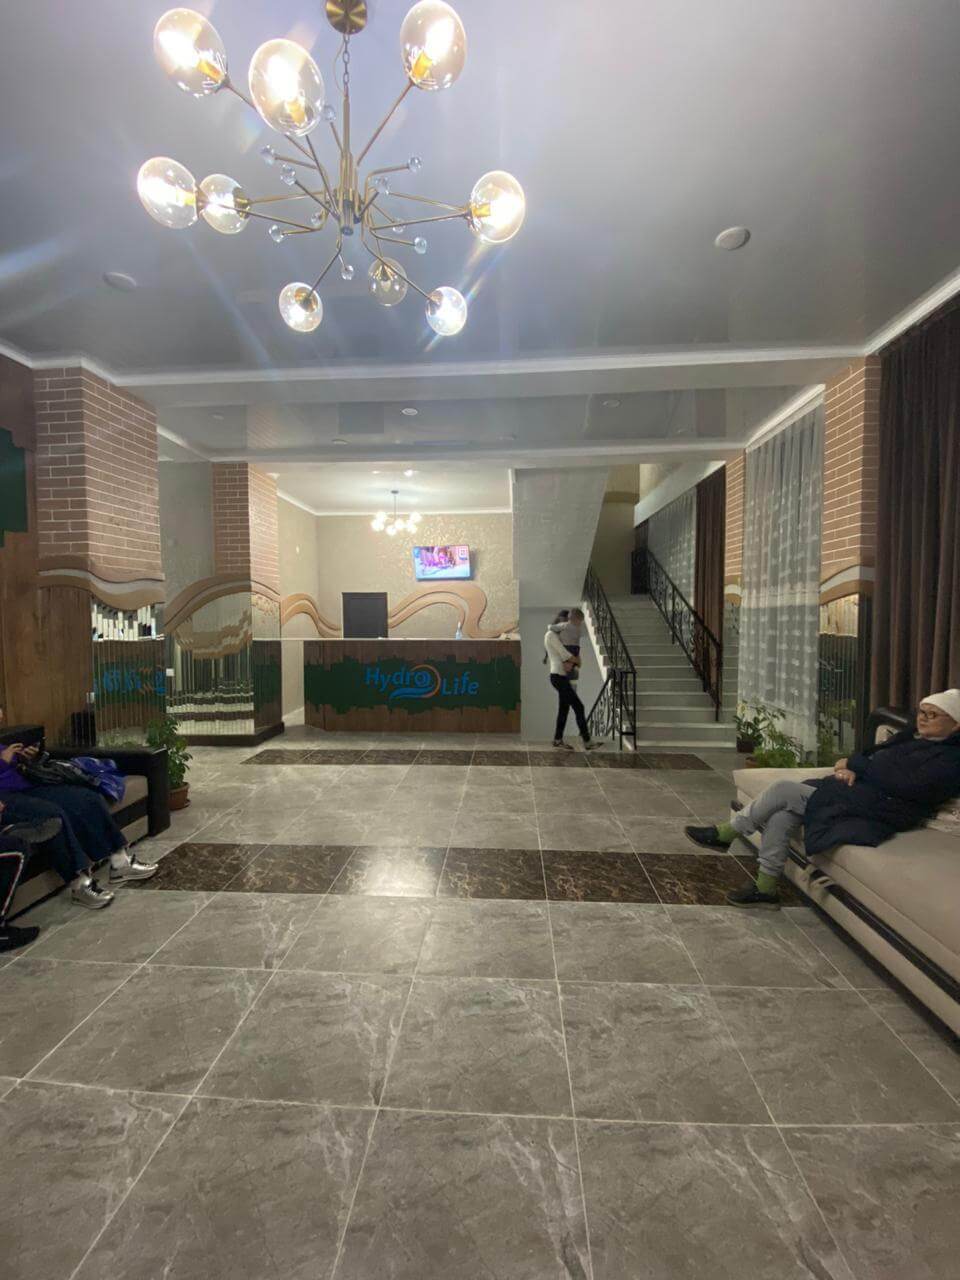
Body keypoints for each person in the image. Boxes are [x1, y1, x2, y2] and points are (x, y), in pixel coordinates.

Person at [685, 689, 960, 908]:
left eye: (933, 715)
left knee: (783, 790)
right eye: (922, 712)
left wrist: (854, 765)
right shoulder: (911, 738)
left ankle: (727, 833)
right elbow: (871, 756)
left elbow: (905, 784)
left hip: (884, 809)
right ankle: (765, 889)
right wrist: (853, 767)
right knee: (783, 814)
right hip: (862, 792)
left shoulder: (952, 759)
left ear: (956, 724)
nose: (923, 718)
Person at [0, 707, 158, 910]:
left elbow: (18, 767)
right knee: (53, 815)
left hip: (26, 786)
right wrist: (3, 762)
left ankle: (120, 862)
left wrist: (28, 756)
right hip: (5, 798)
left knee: (86, 799)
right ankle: (80, 884)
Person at [544, 608, 604, 751]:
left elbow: (577, 661)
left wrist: (575, 660)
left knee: (564, 709)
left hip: (563, 677)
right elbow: (565, 654)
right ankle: (587, 742)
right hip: (558, 677)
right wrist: (575, 660)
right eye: (565, 622)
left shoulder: (561, 636)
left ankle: (557, 740)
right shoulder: (551, 635)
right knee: (579, 707)